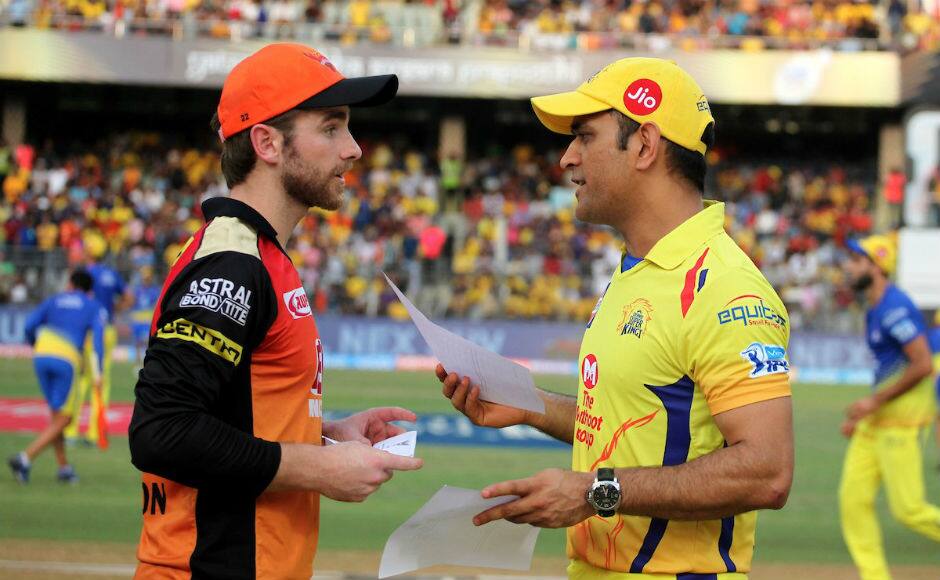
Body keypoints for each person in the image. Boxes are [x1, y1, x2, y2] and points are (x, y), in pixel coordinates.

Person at [438, 57, 794, 578]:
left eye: (584, 136)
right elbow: (630, 422)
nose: (566, 158)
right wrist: (528, 404)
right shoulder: (637, 269)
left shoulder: (723, 287)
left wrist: (595, 491)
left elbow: (767, 472)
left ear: (645, 146)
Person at [128, 42, 422, 580]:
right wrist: (320, 468)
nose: (354, 149)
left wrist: (328, 437)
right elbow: (162, 431)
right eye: (332, 128)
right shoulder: (232, 266)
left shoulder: (262, 256)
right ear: (266, 142)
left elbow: (234, 415)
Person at [839, 234, 940, 580]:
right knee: (852, 503)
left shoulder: (895, 307)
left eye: (856, 261)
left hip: (902, 424)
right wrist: (866, 413)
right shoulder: (875, 307)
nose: (848, 268)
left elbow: (922, 364)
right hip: (877, 423)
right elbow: (888, 370)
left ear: (876, 266)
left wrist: (873, 402)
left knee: (909, 510)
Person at [8, 270, 105, 484]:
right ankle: (25, 458)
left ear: (70, 283)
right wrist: (98, 373)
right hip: (67, 358)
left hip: (42, 353)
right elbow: (98, 341)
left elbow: (29, 325)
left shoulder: (54, 299)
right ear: (89, 290)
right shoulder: (92, 306)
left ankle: (64, 468)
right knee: (66, 418)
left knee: (56, 415)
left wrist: (35, 344)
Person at [64, 255, 128, 447]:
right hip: (106, 329)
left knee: (80, 380)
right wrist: (113, 310)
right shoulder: (112, 274)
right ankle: (94, 432)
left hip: (88, 331)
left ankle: (70, 431)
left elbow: (71, 295)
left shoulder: (85, 274)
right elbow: (129, 296)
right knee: (101, 381)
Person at [128, 266, 161, 368]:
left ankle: (148, 362)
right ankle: (137, 364)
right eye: (145, 278)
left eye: (148, 278)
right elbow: (132, 303)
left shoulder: (154, 290)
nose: (146, 280)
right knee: (137, 342)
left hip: (147, 318)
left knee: (148, 342)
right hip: (137, 318)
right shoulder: (137, 290)